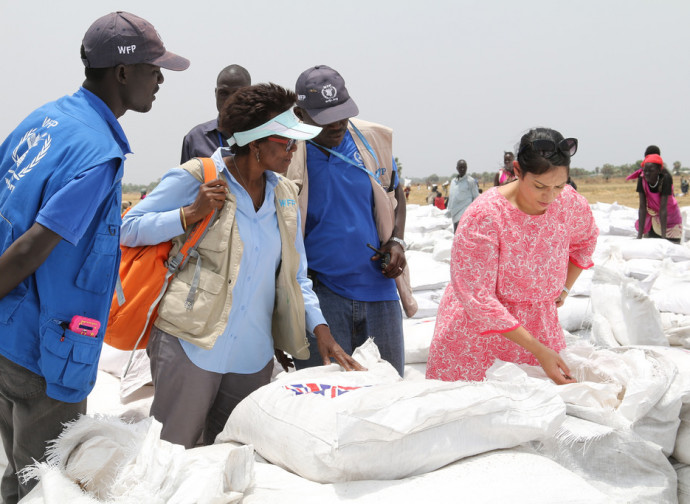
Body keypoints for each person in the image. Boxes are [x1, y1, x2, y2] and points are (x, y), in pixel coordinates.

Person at [0, 12, 188, 503]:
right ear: (122, 72)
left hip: (8, 330)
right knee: (49, 482)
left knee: (21, 472)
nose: (161, 79)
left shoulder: (42, 122)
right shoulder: (96, 153)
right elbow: (28, 249)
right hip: (46, 347)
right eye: (153, 67)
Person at [121, 83, 364, 449]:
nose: (294, 151)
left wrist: (321, 329)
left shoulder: (284, 193)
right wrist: (189, 214)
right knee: (172, 452)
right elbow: (128, 228)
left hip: (252, 357)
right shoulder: (197, 177)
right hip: (191, 344)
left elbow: (296, 275)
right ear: (255, 145)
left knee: (232, 458)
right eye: (287, 143)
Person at [426, 127, 598, 385]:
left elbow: (585, 240)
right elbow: (478, 296)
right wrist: (538, 350)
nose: (549, 196)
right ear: (517, 171)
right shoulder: (485, 217)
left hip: (539, 329)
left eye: (559, 186)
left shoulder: (568, 204)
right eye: (539, 186)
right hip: (477, 338)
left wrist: (563, 289)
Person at [286, 65, 409, 376]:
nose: (338, 123)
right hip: (322, 298)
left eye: (342, 112)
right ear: (300, 115)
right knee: (325, 401)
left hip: (379, 292)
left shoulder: (370, 143)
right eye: (326, 118)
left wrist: (396, 240)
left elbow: (395, 194)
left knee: (389, 392)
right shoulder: (287, 157)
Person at [180, 64, 251, 163]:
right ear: (216, 93)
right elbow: (185, 177)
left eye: (237, 93)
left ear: (250, 94)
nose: (229, 100)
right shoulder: (196, 138)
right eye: (223, 93)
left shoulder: (263, 137)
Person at [627, 153, 682, 243]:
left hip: (670, 218)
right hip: (655, 220)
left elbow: (663, 208)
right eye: (645, 170)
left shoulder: (665, 179)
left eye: (651, 170)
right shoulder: (642, 179)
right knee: (651, 244)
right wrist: (639, 236)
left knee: (671, 246)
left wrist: (663, 239)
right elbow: (642, 207)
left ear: (659, 171)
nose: (647, 174)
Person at [447, 159, 479, 232]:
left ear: (466, 168)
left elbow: (476, 197)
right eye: (460, 167)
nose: (462, 169)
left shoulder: (470, 181)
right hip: (455, 214)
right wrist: (449, 209)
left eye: (464, 167)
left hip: (465, 214)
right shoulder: (453, 182)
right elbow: (451, 197)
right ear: (457, 168)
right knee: (457, 236)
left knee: (463, 236)